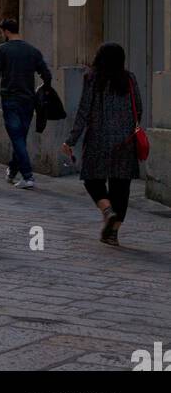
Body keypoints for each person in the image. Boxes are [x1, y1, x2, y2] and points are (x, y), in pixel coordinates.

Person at [62, 44, 143, 246]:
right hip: (125, 141)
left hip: (98, 138)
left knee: (92, 178)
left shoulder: (92, 78)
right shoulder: (129, 78)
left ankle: (107, 210)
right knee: (121, 187)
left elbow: (83, 111)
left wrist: (71, 140)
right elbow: (138, 108)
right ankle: (113, 234)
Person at [0, 17, 52, 189]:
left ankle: (28, 176)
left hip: (10, 99)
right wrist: (44, 88)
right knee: (20, 137)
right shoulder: (32, 51)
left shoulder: (3, 50)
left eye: (2, 32)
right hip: (28, 100)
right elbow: (47, 75)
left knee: (16, 137)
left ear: (6, 32)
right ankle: (13, 170)